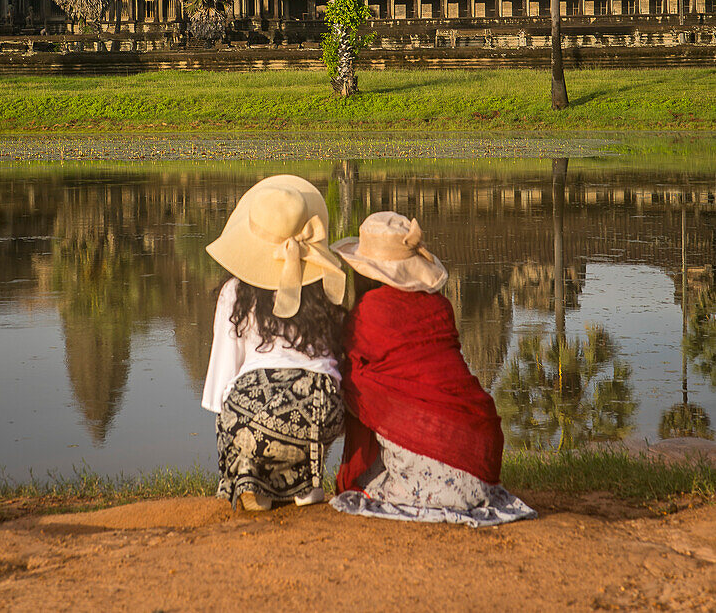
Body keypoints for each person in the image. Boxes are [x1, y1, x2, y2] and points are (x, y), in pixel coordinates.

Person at [330, 211, 536, 527]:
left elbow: (355, 387)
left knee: (355, 381)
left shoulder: (370, 312)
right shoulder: (440, 306)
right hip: (482, 457)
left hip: (436, 461)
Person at [202, 174, 347, 511]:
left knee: (235, 408)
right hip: (319, 412)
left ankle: (253, 481)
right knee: (316, 395)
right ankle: (308, 481)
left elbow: (219, 388)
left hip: (253, 418)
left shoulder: (234, 293)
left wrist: (235, 435)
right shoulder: (325, 285)